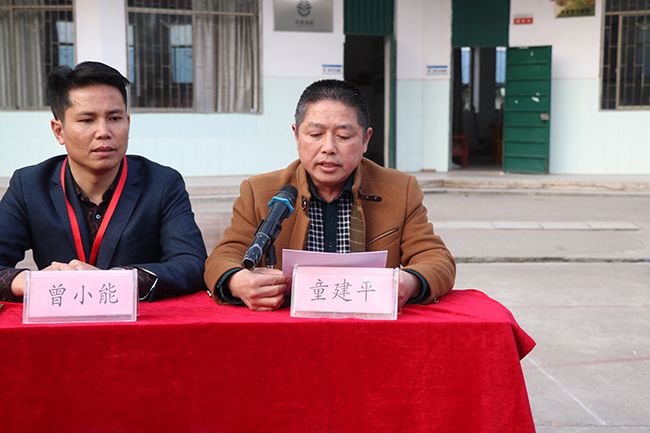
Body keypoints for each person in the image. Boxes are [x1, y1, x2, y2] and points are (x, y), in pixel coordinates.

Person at [204, 79, 455, 311]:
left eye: (344, 136)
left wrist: (410, 281)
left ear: (366, 139)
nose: (328, 148)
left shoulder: (400, 189)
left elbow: (436, 258)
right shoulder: (259, 191)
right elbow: (223, 256)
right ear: (296, 135)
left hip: (367, 325)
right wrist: (236, 281)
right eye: (315, 134)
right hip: (288, 327)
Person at [0, 61, 207, 303]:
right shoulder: (30, 186)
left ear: (128, 123)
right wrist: (27, 281)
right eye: (87, 120)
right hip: (59, 318)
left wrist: (114, 281)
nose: (103, 132)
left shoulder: (162, 183)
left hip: (138, 321)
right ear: (59, 131)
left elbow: (192, 264)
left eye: (115, 118)